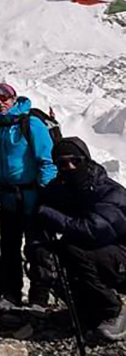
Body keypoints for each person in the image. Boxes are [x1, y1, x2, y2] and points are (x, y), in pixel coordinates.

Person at [33, 137, 126, 340]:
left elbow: (93, 231)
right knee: (52, 253)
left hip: (120, 255)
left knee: (76, 251)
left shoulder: (109, 191)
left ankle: (113, 310)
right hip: (97, 252)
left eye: (75, 161)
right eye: (62, 163)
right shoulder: (60, 188)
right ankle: (85, 310)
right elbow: (40, 217)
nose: (70, 167)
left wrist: (51, 216)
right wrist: (40, 247)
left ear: (86, 160)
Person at [0, 82, 57, 306]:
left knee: (37, 247)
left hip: (32, 194)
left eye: (4, 98)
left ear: (13, 98)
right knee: (9, 246)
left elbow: (47, 160)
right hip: (8, 195)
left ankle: (39, 297)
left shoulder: (30, 123)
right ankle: (11, 293)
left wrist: (46, 192)